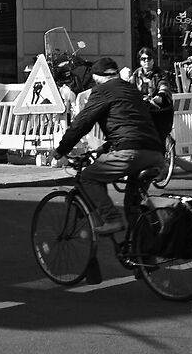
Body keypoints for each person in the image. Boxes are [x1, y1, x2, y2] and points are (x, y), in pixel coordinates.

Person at [54, 57, 170, 238]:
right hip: (155, 152)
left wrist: (61, 150)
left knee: (88, 177)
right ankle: (143, 256)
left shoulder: (101, 91)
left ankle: (111, 218)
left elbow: (82, 123)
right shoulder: (131, 90)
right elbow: (132, 124)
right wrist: (105, 147)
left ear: (97, 78)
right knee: (133, 204)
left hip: (131, 153)